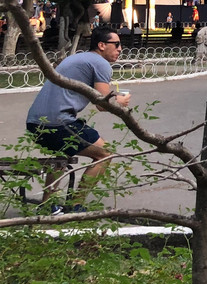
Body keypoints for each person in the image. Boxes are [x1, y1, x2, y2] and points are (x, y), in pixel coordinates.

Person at [24, 27, 131, 213]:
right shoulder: (100, 63)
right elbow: (102, 104)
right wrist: (119, 101)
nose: (120, 48)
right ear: (102, 45)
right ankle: (75, 205)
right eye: (117, 44)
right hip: (58, 122)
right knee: (106, 154)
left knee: (61, 156)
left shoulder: (78, 58)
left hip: (35, 122)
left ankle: (47, 205)